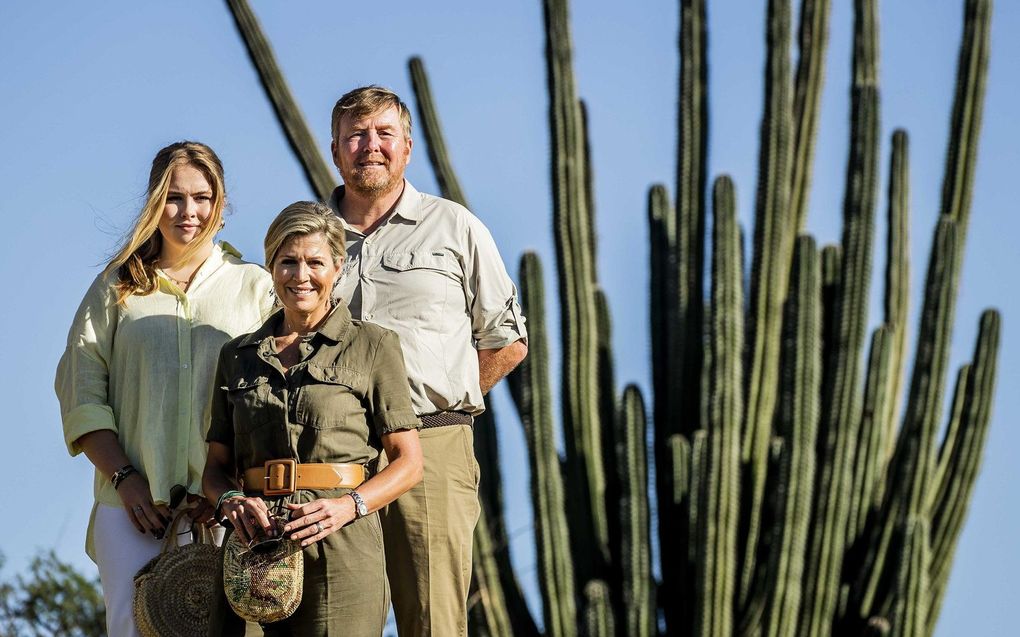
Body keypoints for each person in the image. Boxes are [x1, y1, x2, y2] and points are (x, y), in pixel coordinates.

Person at [327, 85, 528, 636]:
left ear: (407, 147)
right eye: (356, 135)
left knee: (433, 623)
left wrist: (447, 402)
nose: (371, 146)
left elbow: (507, 340)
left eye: (384, 133)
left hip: (433, 448)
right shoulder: (310, 239)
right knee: (333, 621)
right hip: (331, 455)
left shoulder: (455, 227)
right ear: (336, 150)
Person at [55, 141, 275, 637]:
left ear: (220, 202)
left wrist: (222, 484)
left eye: (202, 196)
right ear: (155, 202)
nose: (188, 211)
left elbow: (269, 403)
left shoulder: (255, 287)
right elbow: (81, 389)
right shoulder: (116, 286)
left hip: (230, 510)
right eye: (174, 197)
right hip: (132, 511)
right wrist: (126, 479)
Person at [203, 201, 423, 636]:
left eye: (315, 262)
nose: (301, 276)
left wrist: (349, 506)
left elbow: (408, 463)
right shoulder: (236, 357)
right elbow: (214, 468)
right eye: (288, 262)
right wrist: (230, 502)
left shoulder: (373, 346)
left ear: (338, 267)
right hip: (251, 546)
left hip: (340, 544)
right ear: (271, 267)